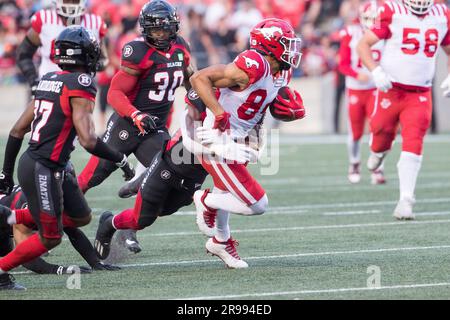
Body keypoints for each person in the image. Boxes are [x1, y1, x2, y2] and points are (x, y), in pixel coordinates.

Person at [0, 26, 133, 290]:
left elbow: (17, 130)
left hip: (46, 164)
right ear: (82, 55)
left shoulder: (48, 78)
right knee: (51, 237)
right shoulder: (81, 83)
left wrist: (5, 173)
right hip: (44, 166)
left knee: (81, 217)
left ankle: (9, 217)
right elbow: (88, 139)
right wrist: (120, 159)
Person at [76, 0, 194, 254]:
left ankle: (126, 226)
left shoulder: (181, 47)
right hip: (126, 126)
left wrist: (201, 98)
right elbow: (115, 93)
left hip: (156, 129)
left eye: (164, 29)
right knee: (89, 179)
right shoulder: (137, 51)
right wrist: (136, 114)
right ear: (145, 28)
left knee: (168, 182)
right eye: (155, 29)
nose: (160, 34)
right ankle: (43, 221)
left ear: (174, 27)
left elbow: (190, 78)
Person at [190, 18, 305, 268]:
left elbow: (261, 106)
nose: (291, 49)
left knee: (226, 190)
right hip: (216, 138)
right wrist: (219, 113)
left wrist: (284, 108)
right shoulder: (254, 65)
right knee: (256, 204)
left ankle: (221, 241)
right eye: (285, 43)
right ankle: (204, 201)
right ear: (270, 45)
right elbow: (199, 78)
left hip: (240, 137)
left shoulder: (282, 70)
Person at [0, 0, 108, 194]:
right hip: (46, 91)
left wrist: (87, 66)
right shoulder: (44, 18)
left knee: (69, 144)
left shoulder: (95, 21)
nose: (71, 3)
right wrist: (34, 82)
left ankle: (47, 187)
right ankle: (31, 191)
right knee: (39, 142)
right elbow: (23, 54)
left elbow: (103, 59)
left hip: (76, 94)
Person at [357, 0, 450, 220]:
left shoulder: (442, 14)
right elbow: (362, 45)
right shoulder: (391, 10)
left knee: (414, 140)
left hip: (419, 93)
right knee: (380, 135)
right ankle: (378, 152)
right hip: (391, 89)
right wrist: (376, 71)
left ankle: (406, 200)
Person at [1, 183, 120, 275]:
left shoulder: (54, 199)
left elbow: (74, 232)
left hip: (11, 221)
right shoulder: (26, 210)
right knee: (7, 253)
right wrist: (58, 269)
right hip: (6, 221)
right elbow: (25, 259)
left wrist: (95, 263)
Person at [338, 1, 385, 184]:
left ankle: (377, 168)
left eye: (374, 18)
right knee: (356, 132)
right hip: (356, 88)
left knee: (378, 129)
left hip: (376, 88)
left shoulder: (386, 34)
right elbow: (342, 64)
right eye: (368, 18)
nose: (371, 22)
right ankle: (354, 163)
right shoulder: (351, 33)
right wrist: (357, 74)